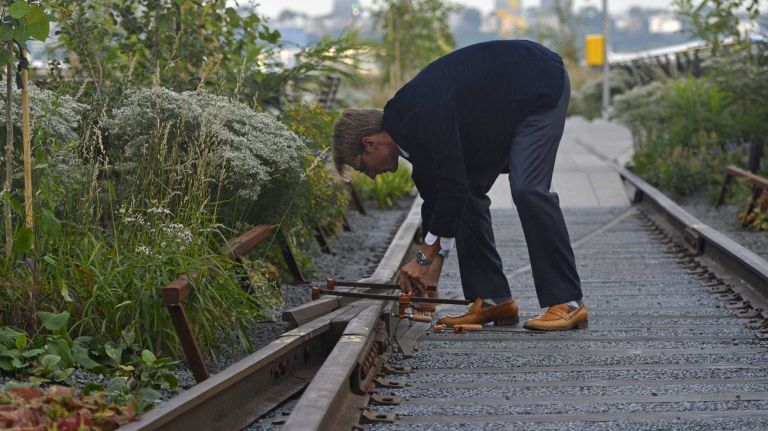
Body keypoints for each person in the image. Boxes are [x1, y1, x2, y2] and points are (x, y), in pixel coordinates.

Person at [332, 40, 587, 331]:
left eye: (362, 167)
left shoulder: (419, 115)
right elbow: (441, 207)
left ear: (370, 143)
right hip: (504, 106)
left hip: (537, 83)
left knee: (528, 188)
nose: (371, 176)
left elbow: (452, 187)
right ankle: (493, 300)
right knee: (466, 197)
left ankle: (568, 302)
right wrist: (428, 277)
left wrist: (425, 257)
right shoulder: (411, 136)